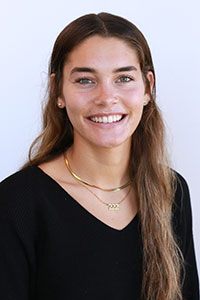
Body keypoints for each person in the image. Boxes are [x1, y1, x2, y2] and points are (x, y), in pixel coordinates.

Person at [0, 12, 199, 300]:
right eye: (85, 80)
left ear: (148, 88)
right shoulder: (17, 202)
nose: (106, 97)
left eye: (124, 78)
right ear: (58, 91)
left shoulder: (172, 190)